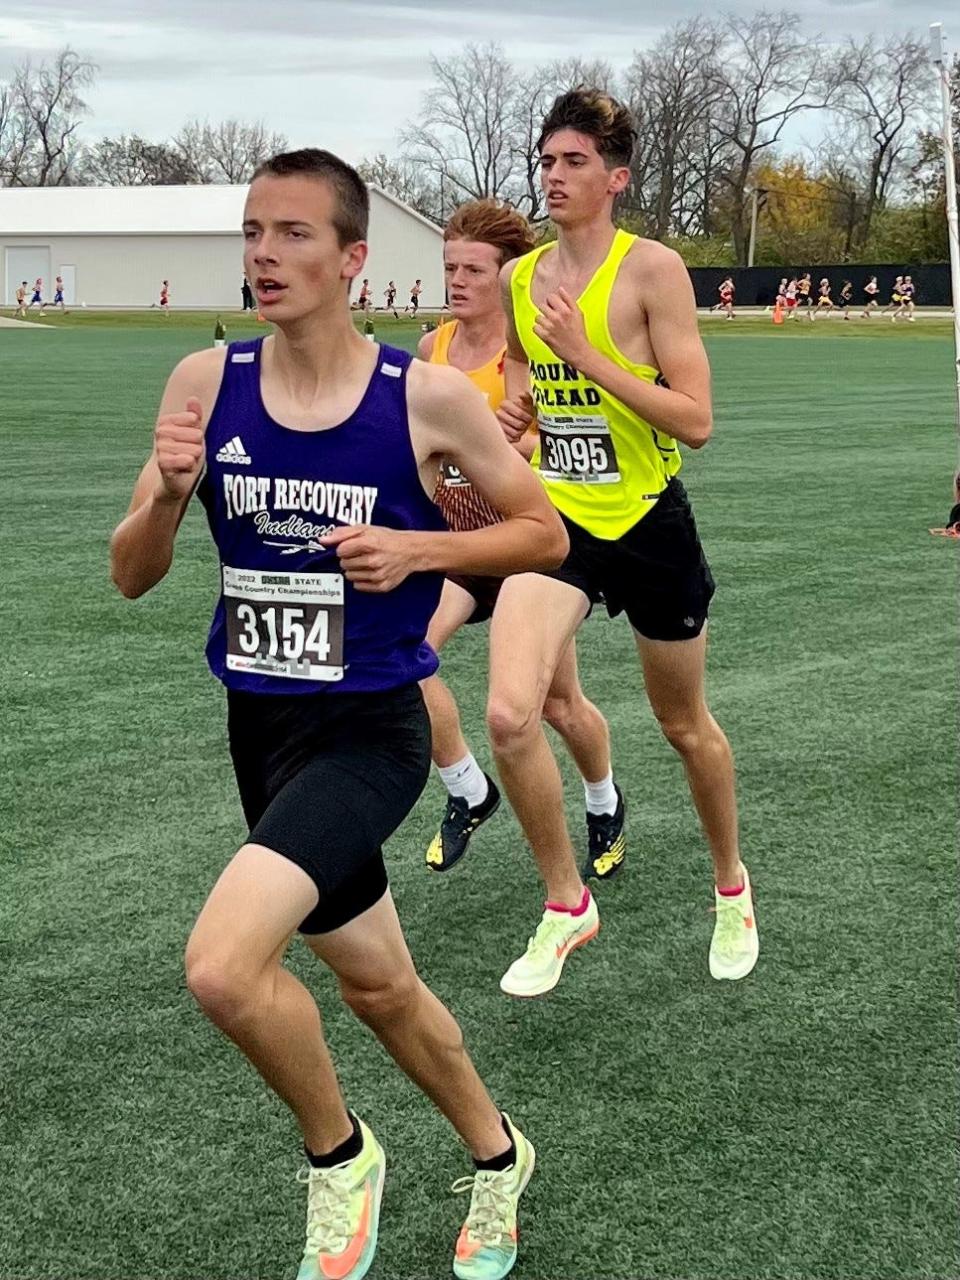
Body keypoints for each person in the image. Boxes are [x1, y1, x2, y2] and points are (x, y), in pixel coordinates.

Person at [110, 148, 567, 1280]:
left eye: (294, 233)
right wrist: (167, 498)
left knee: (222, 966)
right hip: (260, 729)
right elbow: (130, 573)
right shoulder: (202, 383)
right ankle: (499, 1153)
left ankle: (341, 1155)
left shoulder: (425, 397)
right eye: (254, 232)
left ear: (355, 258)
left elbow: (544, 535)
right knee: (378, 984)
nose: (265, 253)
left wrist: (422, 545)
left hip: (370, 732)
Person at [491, 88, 758, 998]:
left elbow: (697, 421)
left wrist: (592, 357)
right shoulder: (522, 279)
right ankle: (567, 903)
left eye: (572, 163)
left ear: (615, 177)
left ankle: (731, 885)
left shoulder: (654, 271)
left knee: (684, 727)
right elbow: (525, 389)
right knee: (508, 714)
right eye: (546, 160)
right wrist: (516, 412)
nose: (553, 177)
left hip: (647, 520)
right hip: (558, 520)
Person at [419, 198, 626, 880]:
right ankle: (469, 791)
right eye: (451, 266)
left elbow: (560, 442)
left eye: (474, 270)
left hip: (526, 542)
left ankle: (602, 801)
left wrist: (516, 438)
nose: (457, 281)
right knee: (404, 657)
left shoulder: (533, 344)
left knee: (559, 705)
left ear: (507, 276)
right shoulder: (434, 348)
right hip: (460, 543)